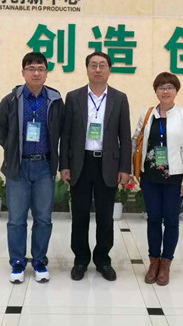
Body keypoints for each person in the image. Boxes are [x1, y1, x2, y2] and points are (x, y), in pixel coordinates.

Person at [60, 51, 131, 282]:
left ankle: (102, 260)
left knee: (105, 216)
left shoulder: (120, 98)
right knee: (79, 215)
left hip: (108, 164)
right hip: (80, 163)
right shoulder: (74, 97)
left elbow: (124, 136)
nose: (98, 69)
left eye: (102, 65)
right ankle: (80, 260)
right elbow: (66, 134)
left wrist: (124, 168)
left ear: (109, 69)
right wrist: (64, 164)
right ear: (87, 69)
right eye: (93, 65)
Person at [0, 52, 64, 284]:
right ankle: (17, 261)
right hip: (19, 167)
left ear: (46, 72)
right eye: (31, 68)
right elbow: (1, 130)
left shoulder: (54, 100)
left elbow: (62, 130)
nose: (36, 73)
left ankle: (39, 261)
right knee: (16, 219)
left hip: (44, 166)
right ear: (23, 72)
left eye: (40, 69)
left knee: (43, 218)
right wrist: (13, 150)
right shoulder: (11, 100)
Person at [131, 72, 183, 286]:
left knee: (171, 220)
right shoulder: (147, 114)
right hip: (150, 176)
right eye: (161, 87)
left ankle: (166, 263)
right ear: (156, 91)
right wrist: (131, 169)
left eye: (170, 87)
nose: (165, 91)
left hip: (174, 178)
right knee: (153, 219)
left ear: (176, 91)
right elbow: (135, 141)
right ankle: (153, 262)